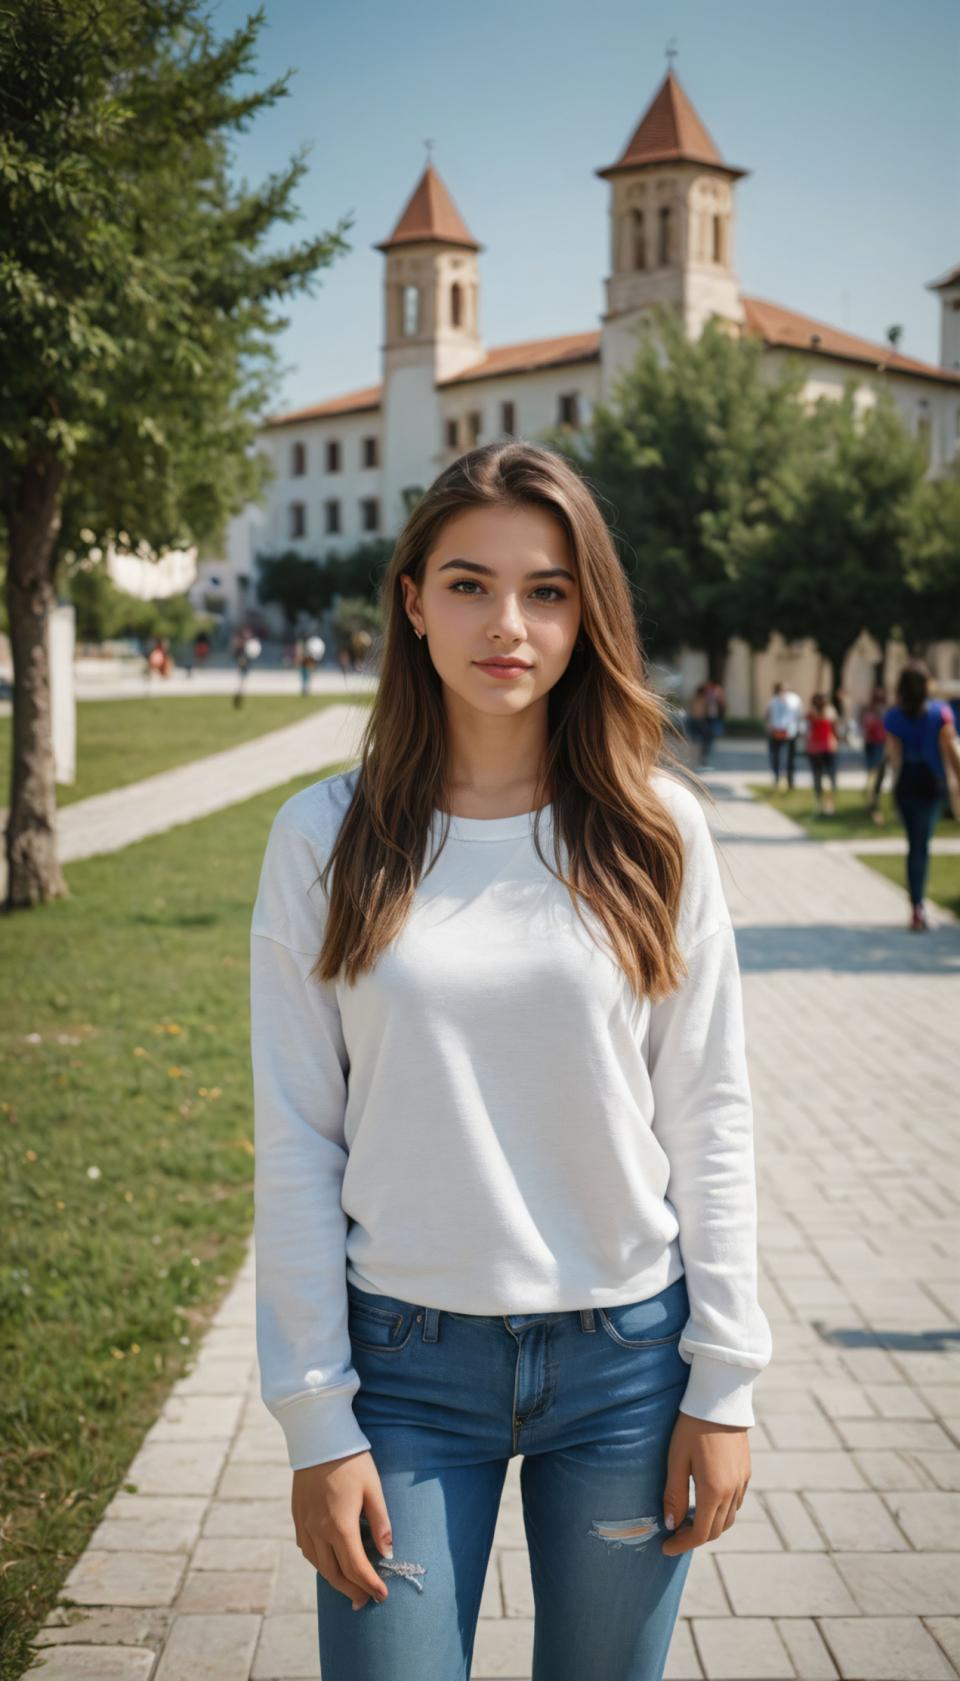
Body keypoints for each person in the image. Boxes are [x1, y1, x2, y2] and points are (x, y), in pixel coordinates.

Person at [249, 442, 772, 1681]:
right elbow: (294, 1138)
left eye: (547, 590)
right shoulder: (324, 835)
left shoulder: (656, 829)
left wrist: (727, 1383)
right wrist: (317, 1420)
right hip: (405, 1373)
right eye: (470, 584)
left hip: (628, 1365)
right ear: (412, 600)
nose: (509, 624)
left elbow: (709, 1112)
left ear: (587, 611)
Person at [882, 660, 960, 931]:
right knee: (922, 846)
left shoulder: (893, 717)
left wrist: (890, 792)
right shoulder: (941, 714)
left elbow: (894, 758)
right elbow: (952, 753)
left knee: (914, 844)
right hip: (931, 783)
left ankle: (915, 905)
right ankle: (919, 905)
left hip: (907, 784)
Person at [805, 691, 840, 816]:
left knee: (828, 776)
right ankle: (821, 803)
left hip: (825, 747)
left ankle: (828, 803)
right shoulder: (813, 713)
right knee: (820, 776)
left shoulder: (828, 712)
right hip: (818, 748)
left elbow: (835, 729)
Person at [764, 681, 803, 790]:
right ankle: (777, 779)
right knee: (775, 757)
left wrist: (798, 728)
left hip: (790, 732)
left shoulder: (794, 699)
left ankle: (790, 782)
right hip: (775, 731)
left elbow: (799, 715)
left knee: (790, 758)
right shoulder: (773, 700)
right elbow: (768, 714)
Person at [859, 685, 888, 823]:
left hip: (877, 744)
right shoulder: (876, 712)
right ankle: (872, 800)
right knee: (874, 773)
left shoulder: (878, 711)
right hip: (875, 744)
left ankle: (873, 798)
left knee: (877, 773)